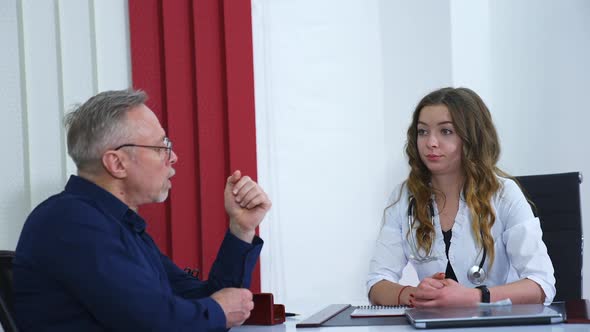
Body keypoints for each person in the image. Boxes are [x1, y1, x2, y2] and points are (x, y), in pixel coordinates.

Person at [13, 89, 271, 331]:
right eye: (161, 147)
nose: (173, 157)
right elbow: (152, 323)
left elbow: (212, 301)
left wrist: (241, 228)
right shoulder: (71, 223)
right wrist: (218, 310)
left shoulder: (118, 224)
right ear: (117, 163)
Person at [367, 87, 555, 308]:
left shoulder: (504, 194)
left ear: (471, 137)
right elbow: (377, 283)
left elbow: (541, 285)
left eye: (446, 131)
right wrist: (414, 294)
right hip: (433, 324)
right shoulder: (405, 198)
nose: (431, 143)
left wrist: (473, 297)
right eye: (423, 131)